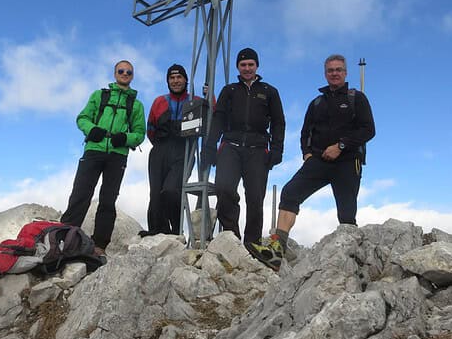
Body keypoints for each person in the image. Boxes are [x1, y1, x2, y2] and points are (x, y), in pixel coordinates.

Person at [247, 54, 375, 271]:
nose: (334, 73)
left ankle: (353, 264)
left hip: (347, 162)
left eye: (338, 70)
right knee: (290, 193)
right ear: (325, 74)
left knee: (346, 215)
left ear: (345, 73)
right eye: (330, 70)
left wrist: (341, 146)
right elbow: (305, 132)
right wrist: (307, 154)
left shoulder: (357, 98)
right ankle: (277, 250)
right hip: (319, 161)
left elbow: (368, 130)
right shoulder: (317, 103)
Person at [61, 60, 146, 256]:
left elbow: (140, 133)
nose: (125, 74)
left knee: (108, 200)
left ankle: (99, 246)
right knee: (80, 194)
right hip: (94, 149)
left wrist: (125, 138)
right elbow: (82, 118)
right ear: (115, 73)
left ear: (132, 76)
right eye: (121, 71)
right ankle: (64, 238)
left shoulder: (136, 104)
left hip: (118, 154)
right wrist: (93, 130)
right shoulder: (99, 95)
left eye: (128, 72)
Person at [202, 47, 285, 246]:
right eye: (243, 65)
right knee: (223, 188)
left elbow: (279, 122)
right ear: (238, 67)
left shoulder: (269, 91)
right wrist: (210, 147)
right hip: (230, 145)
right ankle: (231, 238)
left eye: (250, 64)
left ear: (257, 66)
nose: (247, 68)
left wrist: (277, 149)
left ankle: (252, 243)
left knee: (255, 197)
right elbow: (219, 119)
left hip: (258, 149)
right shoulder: (229, 90)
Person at [140, 64, 200, 236]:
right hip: (160, 148)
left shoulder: (194, 101)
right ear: (168, 81)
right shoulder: (160, 101)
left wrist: (207, 94)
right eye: (172, 78)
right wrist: (161, 141)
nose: (175, 81)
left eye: (179, 77)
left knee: (171, 190)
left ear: (185, 80)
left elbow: (210, 114)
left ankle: (175, 229)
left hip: (183, 149)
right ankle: (158, 230)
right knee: (156, 193)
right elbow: (150, 128)